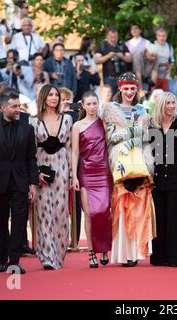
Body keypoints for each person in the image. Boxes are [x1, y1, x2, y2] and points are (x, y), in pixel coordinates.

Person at [0, 88, 38, 274]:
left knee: (19, 221)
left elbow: (31, 159)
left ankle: (14, 261)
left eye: (19, 106)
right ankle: (3, 258)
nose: (18, 110)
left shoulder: (27, 129)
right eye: (14, 106)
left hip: (21, 182)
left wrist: (33, 183)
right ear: (2, 107)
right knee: (0, 221)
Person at [102, 72, 155, 267]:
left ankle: (134, 253)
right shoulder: (110, 109)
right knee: (121, 204)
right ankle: (123, 253)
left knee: (138, 204)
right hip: (120, 160)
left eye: (133, 88)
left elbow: (147, 135)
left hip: (139, 160)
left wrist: (132, 136)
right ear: (120, 89)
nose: (130, 92)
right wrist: (131, 134)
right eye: (126, 88)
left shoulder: (143, 110)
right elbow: (110, 136)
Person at [30, 84, 72, 270]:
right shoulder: (33, 121)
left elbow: (70, 148)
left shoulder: (68, 119)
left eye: (56, 95)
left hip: (62, 167)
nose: (54, 98)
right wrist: (35, 173)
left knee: (61, 212)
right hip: (42, 168)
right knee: (43, 212)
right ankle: (47, 256)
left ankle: (60, 253)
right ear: (43, 97)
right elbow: (30, 151)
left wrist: (72, 173)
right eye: (51, 95)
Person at [149, 92, 177, 267]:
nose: (172, 106)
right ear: (161, 105)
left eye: (174, 102)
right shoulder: (152, 126)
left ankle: (175, 258)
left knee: (174, 218)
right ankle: (159, 257)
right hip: (156, 177)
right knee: (159, 218)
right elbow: (148, 152)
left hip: (175, 177)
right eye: (168, 103)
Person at [71, 91, 111, 268]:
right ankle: (91, 251)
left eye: (95, 103)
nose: (92, 107)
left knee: (103, 212)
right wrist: (74, 175)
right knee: (89, 214)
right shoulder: (77, 126)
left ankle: (103, 248)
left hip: (103, 172)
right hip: (86, 173)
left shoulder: (105, 123)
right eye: (89, 104)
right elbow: (74, 153)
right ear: (83, 105)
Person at [95, 28, 132, 94]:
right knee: (110, 99)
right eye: (111, 37)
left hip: (122, 78)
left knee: (122, 99)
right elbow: (97, 60)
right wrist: (108, 56)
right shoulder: (102, 46)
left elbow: (130, 59)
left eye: (115, 37)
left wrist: (121, 56)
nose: (113, 39)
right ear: (107, 36)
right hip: (109, 78)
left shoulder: (122, 45)